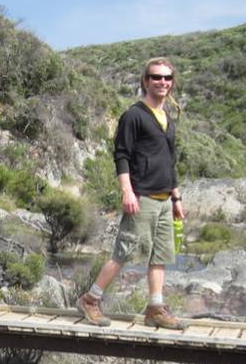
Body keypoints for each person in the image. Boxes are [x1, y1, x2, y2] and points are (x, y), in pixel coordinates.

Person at [77, 57, 186, 330]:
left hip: (163, 200)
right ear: (145, 81)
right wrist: (127, 191)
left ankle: (155, 309)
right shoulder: (134, 115)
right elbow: (122, 155)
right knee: (123, 252)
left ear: (172, 83)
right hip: (142, 196)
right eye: (156, 77)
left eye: (167, 78)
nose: (162, 82)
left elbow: (170, 163)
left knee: (160, 256)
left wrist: (176, 198)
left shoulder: (168, 121)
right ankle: (90, 299)